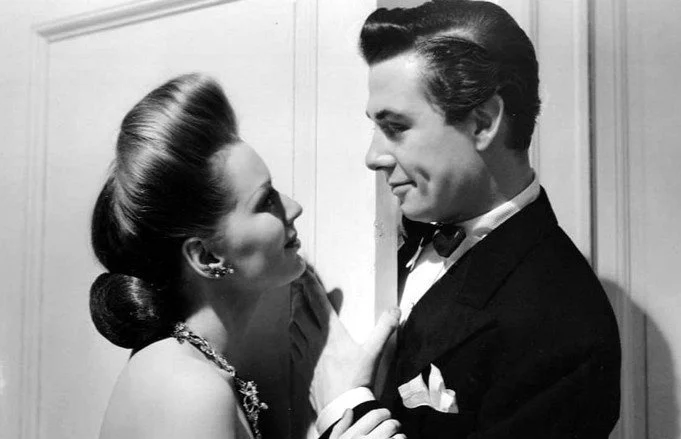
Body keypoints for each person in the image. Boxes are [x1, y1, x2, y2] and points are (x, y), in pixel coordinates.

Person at [302, 1, 621, 438]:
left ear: (482, 123)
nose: (372, 157)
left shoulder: (567, 325)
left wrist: (343, 407)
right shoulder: (387, 233)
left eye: (395, 127)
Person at [89, 73, 404, 439]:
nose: (294, 207)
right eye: (265, 200)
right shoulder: (190, 387)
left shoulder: (189, 367)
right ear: (207, 256)